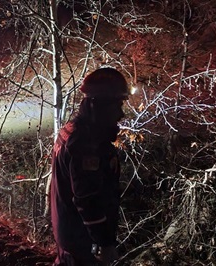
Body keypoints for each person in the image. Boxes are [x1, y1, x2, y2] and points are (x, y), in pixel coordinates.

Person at [50, 67, 128, 266]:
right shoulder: (86, 145)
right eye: (116, 105)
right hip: (83, 245)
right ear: (97, 106)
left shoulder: (71, 132)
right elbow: (87, 200)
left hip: (71, 238)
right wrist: (104, 243)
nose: (121, 114)